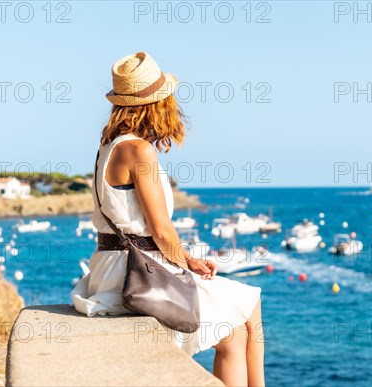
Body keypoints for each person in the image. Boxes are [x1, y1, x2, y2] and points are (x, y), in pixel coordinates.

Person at [71, 52, 265, 387]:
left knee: (244, 313)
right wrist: (189, 260)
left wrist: (186, 260)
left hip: (115, 267)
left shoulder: (107, 145)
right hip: (137, 273)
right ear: (157, 104)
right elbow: (160, 231)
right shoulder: (138, 151)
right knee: (243, 317)